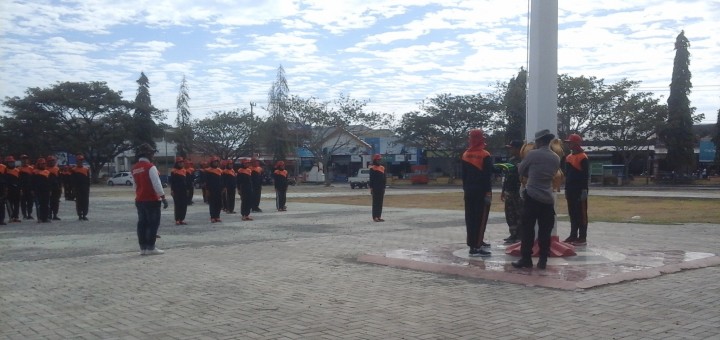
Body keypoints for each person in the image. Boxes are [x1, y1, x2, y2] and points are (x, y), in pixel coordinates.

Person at [512, 129, 561, 269]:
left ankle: (526, 259)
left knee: (528, 229)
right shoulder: (556, 157)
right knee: (545, 231)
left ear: (539, 141)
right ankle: (543, 260)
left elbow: (521, 171)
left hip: (532, 196)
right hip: (547, 198)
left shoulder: (532, 154)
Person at [131, 143, 168, 255]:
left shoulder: (134, 168)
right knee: (153, 224)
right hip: (151, 199)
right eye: (152, 153)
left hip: (139, 199)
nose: (153, 155)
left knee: (142, 224)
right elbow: (157, 184)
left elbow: (135, 186)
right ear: (148, 154)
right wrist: (163, 197)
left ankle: (143, 248)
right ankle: (151, 247)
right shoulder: (150, 167)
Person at [461, 129, 494, 257]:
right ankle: (476, 247)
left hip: (469, 191)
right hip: (481, 192)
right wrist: (488, 193)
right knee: (481, 218)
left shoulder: (465, 154)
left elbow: (464, 176)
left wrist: (466, 189)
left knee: (470, 218)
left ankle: (473, 242)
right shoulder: (484, 155)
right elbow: (487, 176)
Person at [563, 133, 590, 246]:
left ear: (577, 143)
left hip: (580, 189)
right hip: (570, 189)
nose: (569, 145)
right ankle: (573, 234)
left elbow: (585, 175)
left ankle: (582, 237)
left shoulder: (583, 157)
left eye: (571, 142)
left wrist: (584, 189)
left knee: (581, 213)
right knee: (572, 213)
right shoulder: (568, 157)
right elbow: (567, 174)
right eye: (568, 143)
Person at [501, 140, 524, 244]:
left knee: (519, 213)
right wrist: (503, 191)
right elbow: (506, 177)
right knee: (509, 214)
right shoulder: (510, 160)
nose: (510, 150)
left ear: (518, 148)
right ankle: (513, 234)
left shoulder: (523, 160)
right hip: (509, 190)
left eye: (512, 148)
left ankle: (520, 235)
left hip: (517, 191)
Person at [31, 157, 52, 223]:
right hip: (38, 191)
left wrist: (50, 190)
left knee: (46, 205)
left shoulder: (47, 172)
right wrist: (32, 190)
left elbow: (49, 182)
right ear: (38, 164)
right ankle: (40, 218)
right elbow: (32, 182)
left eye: (44, 164)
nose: (43, 165)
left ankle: (46, 218)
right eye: (42, 164)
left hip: (46, 191)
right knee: (39, 205)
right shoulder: (34, 172)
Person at [169, 157, 188, 225]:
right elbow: (172, 182)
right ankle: (177, 219)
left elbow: (186, 181)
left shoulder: (184, 171)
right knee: (178, 205)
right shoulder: (173, 171)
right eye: (180, 162)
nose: (181, 164)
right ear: (177, 163)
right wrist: (172, 190)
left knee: (184, 205)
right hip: (176, 190)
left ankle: (182, 219)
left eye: (182, 162)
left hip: (184, 190)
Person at [71, 154, 90, 221]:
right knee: (79, 202)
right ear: (77, 161)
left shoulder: (86, 169)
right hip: (77, 188)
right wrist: (73, 189)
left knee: (85, 201)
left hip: (85, 188)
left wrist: (88, 188)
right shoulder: (74, 170)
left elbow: (88, 180)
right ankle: (80, 215)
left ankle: (84, 214)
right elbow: (72, 180)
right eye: (79, 160)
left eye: (82, 160)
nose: (80, 161)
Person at [204, 156, 223, 223]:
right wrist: (207, 190)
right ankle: (213, 217)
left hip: (219, 189)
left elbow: (222, 180)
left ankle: (217, 216)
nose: (215, 163)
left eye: (216, 162)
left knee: (219, 203)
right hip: (211, 190)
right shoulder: (208, 171)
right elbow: (206, 182)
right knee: (212, 203)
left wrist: (222, 188)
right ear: (211, 163)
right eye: (214, 162)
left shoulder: (220, 170)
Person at [368, 154, 387, 222]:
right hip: (375, 187)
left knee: (380, 202)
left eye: (380, 160)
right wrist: (371, 188)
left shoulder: (382, 168)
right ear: (375, 160)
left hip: (381, 187)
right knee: (375, 203)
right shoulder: (372, 168)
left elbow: (384, 179)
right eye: (378, 160)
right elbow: (371, 179)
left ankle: (379, 216)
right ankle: (375, 217)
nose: (379, 161)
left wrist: (384, 187)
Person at [4, 156, 22, 223]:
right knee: (9, 204)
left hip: (17, 189)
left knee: (17, 204)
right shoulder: (5, 170)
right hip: (9, 190)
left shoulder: (17, 170)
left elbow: (20, 180)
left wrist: (20, 189)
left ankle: (16, 217)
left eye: (12, 162)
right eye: (9, 162)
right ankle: (11, 217)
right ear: (7, 163)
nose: (11, 163)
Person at [46, 156, 62, 220]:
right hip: (48, 188)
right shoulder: (45, 169)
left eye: (53, 160)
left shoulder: (57, 169)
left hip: (56, 188)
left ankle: (55, 214)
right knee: (49, 201)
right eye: (50, 161)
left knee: (56, 202)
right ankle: (49, 214)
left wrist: (60, 187)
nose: (51, 162)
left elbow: (60, 179)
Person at [18, 155, 34, 220]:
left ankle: (29, 214)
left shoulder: (31, 168)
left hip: (29, 188)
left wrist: (33, 188)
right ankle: (24, 214)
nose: (24, 160)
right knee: (23, 202)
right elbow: (18, 180)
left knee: (30, 202)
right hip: (22, 188)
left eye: (26, 159)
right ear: (21, 160)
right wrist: (20, 189)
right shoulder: (18, 169)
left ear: (28, 160)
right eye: (23, 159)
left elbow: (33, 179)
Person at [0, 156, 7, 225]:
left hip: (2, 187)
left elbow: (6, 177)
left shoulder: (4, 167)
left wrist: (6, 188)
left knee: (2, 204)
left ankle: (1, 219)